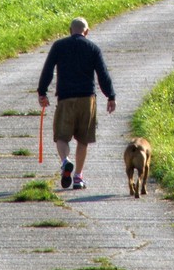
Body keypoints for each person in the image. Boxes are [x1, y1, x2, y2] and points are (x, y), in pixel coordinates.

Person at [37, 17, 116, 190]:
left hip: (66, 98)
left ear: (69, 30)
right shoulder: (93, 48)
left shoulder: (59, 46)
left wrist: (42, 92)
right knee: (83, 139)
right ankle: (78, 177)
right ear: (86, 32)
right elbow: (103, 74)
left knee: (61, 137)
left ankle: (66, 161)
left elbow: (48, 70)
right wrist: (110, 96)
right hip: (87, 99)